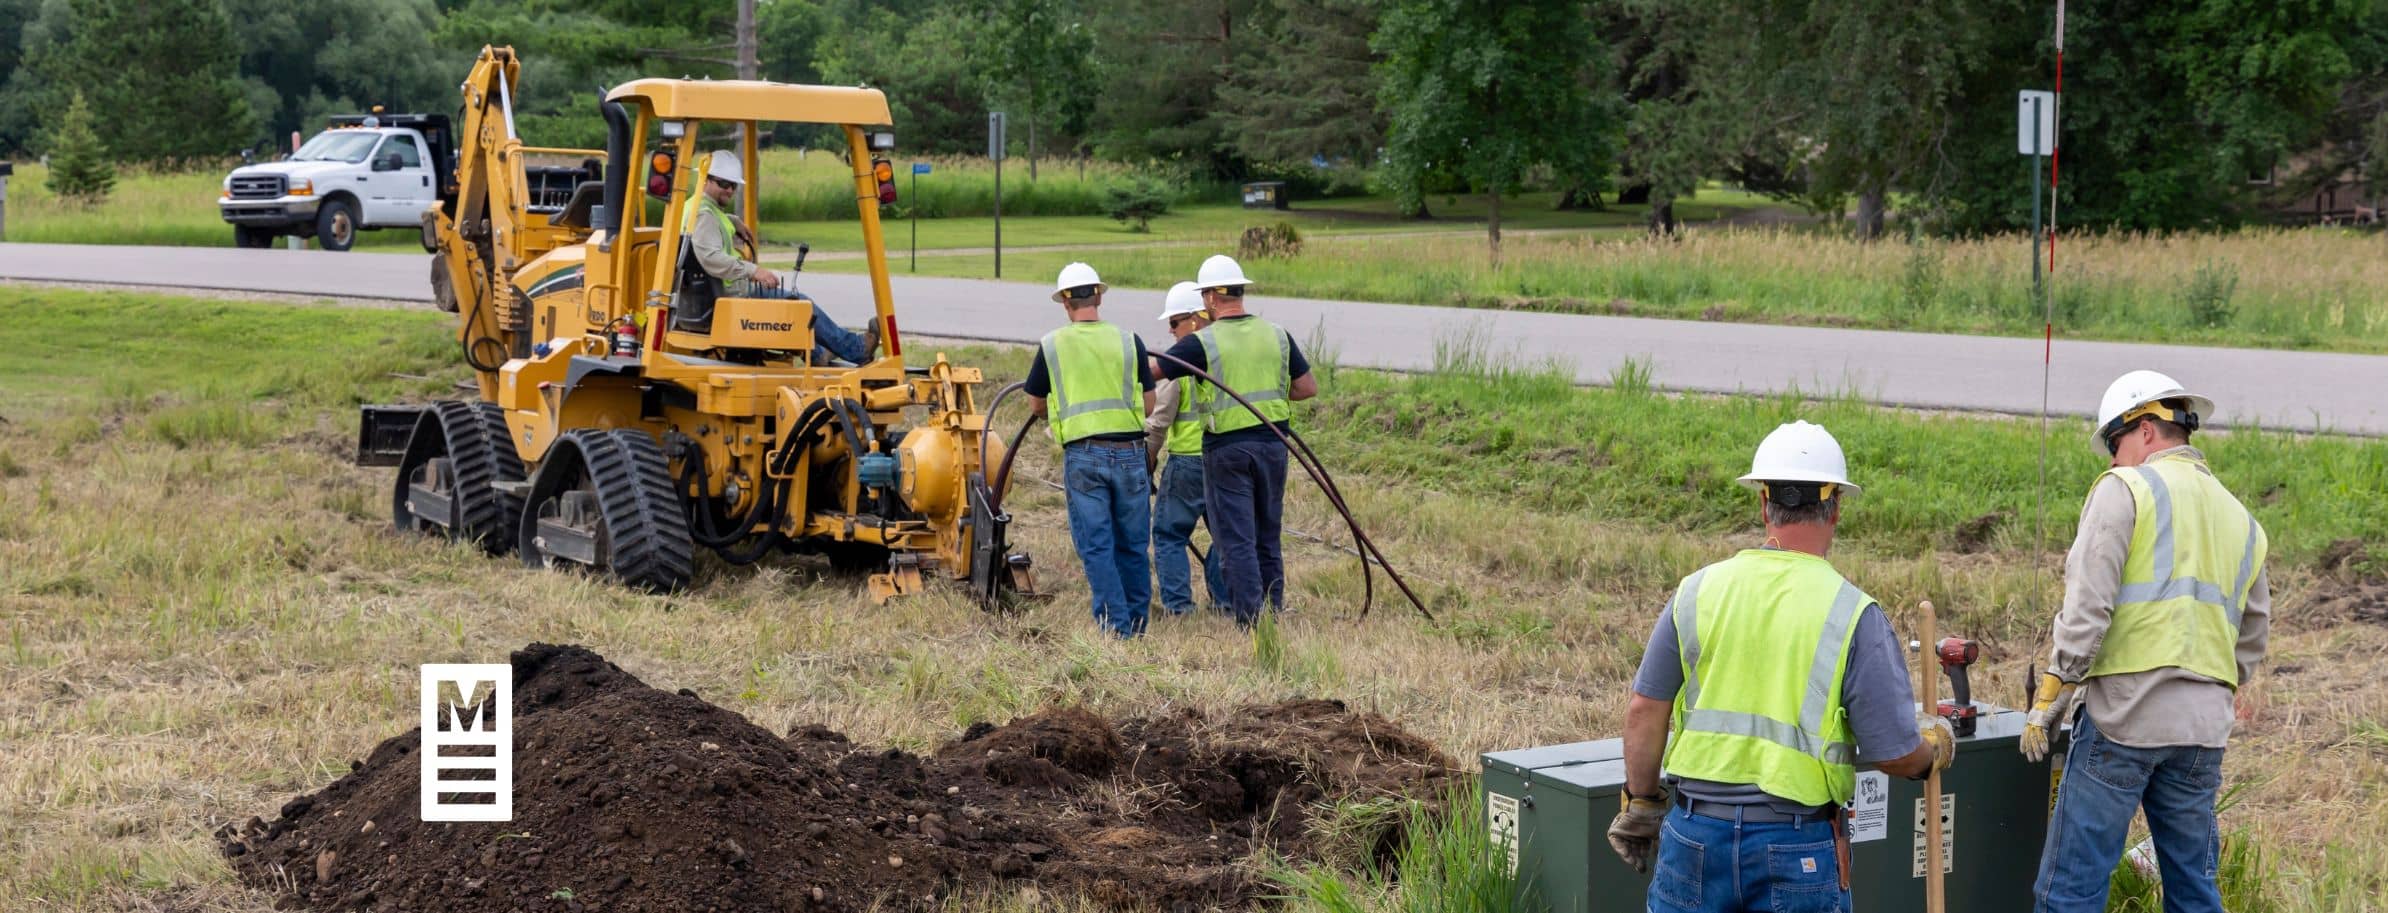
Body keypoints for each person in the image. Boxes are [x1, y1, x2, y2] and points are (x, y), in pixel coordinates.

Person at [1606, 420, 1954, 912]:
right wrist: (1933, 751)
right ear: (1836, 508)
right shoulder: (1852, 613)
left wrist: (1641, 802)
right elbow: (1895, 753)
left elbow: (1645, 710)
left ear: (1763, 502)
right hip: (1796, 845)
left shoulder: (1697, 591)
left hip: (1695, 834)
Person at [2023, 370, 2271, 913]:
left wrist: (2052, 692)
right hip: (2202, 735)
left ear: (2146, 430)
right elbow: (2250, 643)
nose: (2112, 459)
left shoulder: (2126, 489)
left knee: (2069, 890)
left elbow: (2088, 609)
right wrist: (2202, 691)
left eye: (2115, 444)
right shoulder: (2243, 521)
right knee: (2194, 891)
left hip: (2124, 722)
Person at [1156, 255, 1318, 626]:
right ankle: (1272, 611)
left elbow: (1152, 370)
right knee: (1267, 533)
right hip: (1274, 445)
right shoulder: (1277, 334)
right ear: (1241, 292)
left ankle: (1252, 621)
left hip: (1228, 450)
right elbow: (1307, 387)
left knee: (1237, 539)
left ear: (1211, 298)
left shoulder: (1202, 342)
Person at [1026, 262, 1158, 638]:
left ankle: (1116, 628)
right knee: (1133, 544)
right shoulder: (1129, 340)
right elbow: (1149, 404)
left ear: (1065, 303)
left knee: (1097, 546)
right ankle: (1136, 624)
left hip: (1085, 457)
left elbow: (1036, 403)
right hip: (1132, 453)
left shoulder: (1052, 345)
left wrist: (1057, 418)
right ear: (1099, 296)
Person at [682, 149, 875, 364]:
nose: (729, 190)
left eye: (733, 186)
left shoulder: (695, 206)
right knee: (800, 305)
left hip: (711, 297)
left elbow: (708, 226)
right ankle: (856, 349)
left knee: (793, 303)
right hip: (732, 297)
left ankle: (819, 354)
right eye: (724, 184)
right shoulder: (704, 215)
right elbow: (712, 258)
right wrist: (754, 271)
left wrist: (733, 221)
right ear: (705, 180)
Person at [1144, 281, 1227, 616]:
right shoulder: (1227, 356)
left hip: (1188, 465)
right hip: (1225, 461)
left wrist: (1145, 463)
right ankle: (1226, 603)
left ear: (1195, 319)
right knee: (1227, 537)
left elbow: (1157, 425)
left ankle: (1179, 608)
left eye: (1175, 321)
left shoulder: (1180, 367)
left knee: (1168, 534)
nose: (1170, 329)